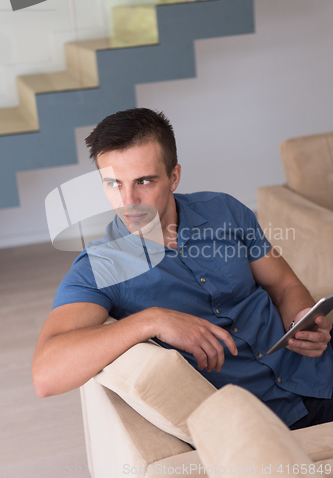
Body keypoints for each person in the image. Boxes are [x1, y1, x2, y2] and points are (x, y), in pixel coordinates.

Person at [32, 108, 333, 429]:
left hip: (316, 366)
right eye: (113, 184)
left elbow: (285, 285)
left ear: (174, 176)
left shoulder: (224, 209)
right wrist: (152, 320)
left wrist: (303, 319)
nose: (128, 200)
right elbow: (46, 376)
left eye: (144, 181)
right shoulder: (101, 266)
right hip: (259, 413)